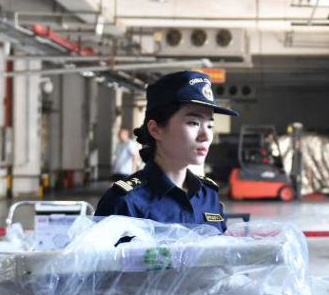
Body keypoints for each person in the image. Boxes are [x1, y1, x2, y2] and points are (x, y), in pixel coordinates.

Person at [95, 70, 239, 230]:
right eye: (193, 123)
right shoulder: (125, 201)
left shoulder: (208, 195)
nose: (206, 136)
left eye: (210, 125)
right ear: (156, 130)